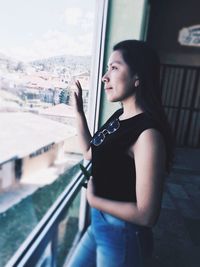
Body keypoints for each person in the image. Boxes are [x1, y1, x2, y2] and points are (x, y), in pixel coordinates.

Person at [67, 40, 173, 267]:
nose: (105, 77)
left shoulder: (148, 135)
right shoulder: (119, 117)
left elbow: (147, 215)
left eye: (114, 68)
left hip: (123, 234)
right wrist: (78, 113)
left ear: (138, 77)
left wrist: (95, 199)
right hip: (100, 225)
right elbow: (89, 152)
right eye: (107, 68)